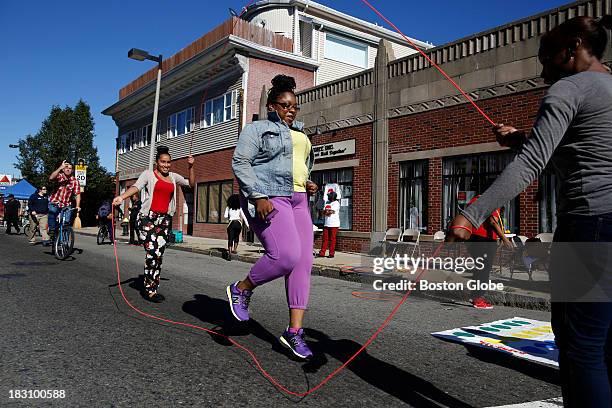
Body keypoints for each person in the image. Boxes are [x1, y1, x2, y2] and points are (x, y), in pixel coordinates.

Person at [447, 15, 612, 408]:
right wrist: (524, 139)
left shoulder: (568, 89)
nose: (541, 72)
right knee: (604, 343)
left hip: (590, 226)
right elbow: (574, 160)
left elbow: (533, 165)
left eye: (545, 59)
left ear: (571, 48)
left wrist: (472, 213)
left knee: (580, 345)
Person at [230, 74, 318, 359]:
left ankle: (294, 333)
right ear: (271, 105)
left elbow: (297, 167)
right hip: (269, 195)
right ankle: (241, 289)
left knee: (304, 263)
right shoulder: (256, 129)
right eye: (284, 105)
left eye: (294, 106)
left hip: (299, 199)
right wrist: (257, 195)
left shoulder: (302, 135)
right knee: (285, 255)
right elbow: (241, 162)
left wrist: (307, 182)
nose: (290, 110)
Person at [112, 146, 195, 303]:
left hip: (164, 221)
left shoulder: (173, 177)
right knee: (152, 252)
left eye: (168, 162)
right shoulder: (148, 174)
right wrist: (122, 197)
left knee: (159, 255)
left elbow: (191, 184)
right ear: (157, 162)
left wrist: (191, 166)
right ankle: (149, 290)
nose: (166, 165)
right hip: (146, 218)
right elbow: (136, 187)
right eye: (163, 162)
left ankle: (152, 287)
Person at [463, 195, 513, 309]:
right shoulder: (492, 200)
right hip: (483, 240)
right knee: (484, 270)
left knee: (479, 268)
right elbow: (493, 222)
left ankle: (474, 296)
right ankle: (478, 298)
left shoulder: (475, 200)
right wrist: (505, 239)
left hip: (472, 238)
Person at [48, 160, 81, 240]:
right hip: (55, 202)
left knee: (66, 223)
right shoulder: (59, 176)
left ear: (72, 170)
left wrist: (77, 206)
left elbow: (78, 194)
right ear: (63, 169)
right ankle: (52, 230)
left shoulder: (74, 181)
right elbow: (51, 177)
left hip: (66, 204)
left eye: (70, 168)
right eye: (66, 168)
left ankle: (64, 242)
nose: (68, 169)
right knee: (52, 213)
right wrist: (60, 167)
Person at [318, 190, 340, 258]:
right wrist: (326, 212)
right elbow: (323, 212)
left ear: (332, 197)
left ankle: (331, 253)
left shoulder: (336, 203)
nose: (328, 197)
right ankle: (322, 253)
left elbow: (331, 212)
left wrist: (326, 211)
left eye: (329, 196)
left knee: (332, 239)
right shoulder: (327, 202)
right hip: (326, 223)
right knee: (325, 239)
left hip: (334, 224)